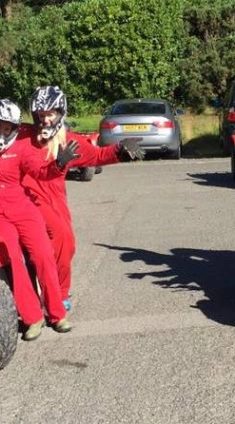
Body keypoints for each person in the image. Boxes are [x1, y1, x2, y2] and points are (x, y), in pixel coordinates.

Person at [24, 85, 146, 310]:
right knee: (52, 238)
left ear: (60, 113)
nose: (44, 120)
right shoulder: (23, 135)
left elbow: (97, 155)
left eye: (49, 114)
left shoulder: (68, 140)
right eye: (40, 115)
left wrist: (120, 150)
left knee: (66, 243)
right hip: (25, 198)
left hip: (54, 198)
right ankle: (39, 295)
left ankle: (59, 293)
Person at [0, 97, 80, 341]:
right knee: (13, 257)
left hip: (22, 209)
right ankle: (33, 317)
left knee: (42, 254)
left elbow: (40, 172)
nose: (0, 131)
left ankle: (57, 313)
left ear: (13, 129)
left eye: (5, 128)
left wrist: (58, 165)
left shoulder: (21, 147)